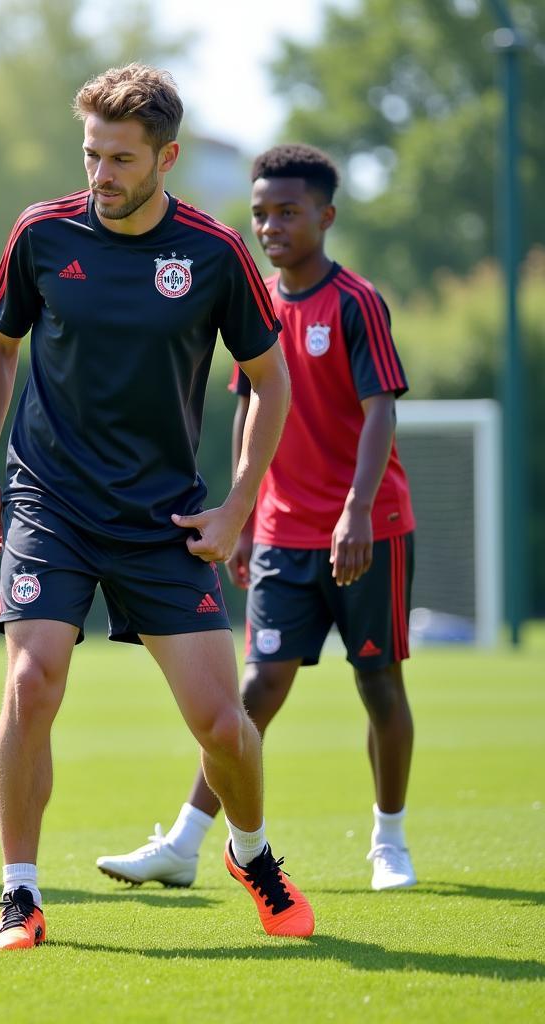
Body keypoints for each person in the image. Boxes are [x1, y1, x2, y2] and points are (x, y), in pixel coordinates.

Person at [0, 64, 315, 950]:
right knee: (32, 675)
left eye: (121, 158)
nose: (101, 175)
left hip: (165, 517)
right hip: (51, 500)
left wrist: (236, 507)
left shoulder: (214, 252)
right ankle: (20, 894)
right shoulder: (42, 235)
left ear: (168, 157)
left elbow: (270, 384)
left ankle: (251, 853)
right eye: (91, 154)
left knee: (222, 725)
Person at [96, 143, 417, 893]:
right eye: (261, 212)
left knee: (378, 682)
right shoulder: (256, 300)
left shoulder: (356, 302)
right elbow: (248, 409)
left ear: (325, 217)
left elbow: (380, 412)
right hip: (278, 532)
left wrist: (357, 512)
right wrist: (242, 515)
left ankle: (389, 841)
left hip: (367, 529)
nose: (271, 225)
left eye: (289, 212)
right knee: (255, 689)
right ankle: (185, 843)